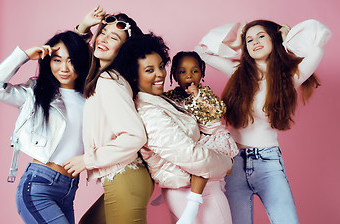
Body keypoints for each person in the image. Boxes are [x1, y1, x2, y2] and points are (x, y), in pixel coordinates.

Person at [195, 19, 331, 224]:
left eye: (260, 36)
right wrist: (236, 35)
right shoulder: (237, 71)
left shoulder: (289, 76)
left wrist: (287, 39)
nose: (254, 42)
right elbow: (201, 50)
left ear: (273, 38)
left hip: (268, 163)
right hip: (233, 164)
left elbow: (317, 51)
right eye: (249, 40)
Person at [112, 33, 233, 224]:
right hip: (195, 191)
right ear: (134, 76)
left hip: (187, 188)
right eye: (149, 70)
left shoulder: (161, 100)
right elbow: (190, 155)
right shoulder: (149, 111)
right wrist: (227, 163)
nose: (160, 74)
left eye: (161, 66)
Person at [63, 6, 153, 224]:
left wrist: (88, 160)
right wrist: (84, 26)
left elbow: (135, 136)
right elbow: (69, 56)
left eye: (114, 38)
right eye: (102, 32)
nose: (103, 38)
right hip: (122, 178)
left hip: (125, 178)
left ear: (123, 50)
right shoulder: (100, 77)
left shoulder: (109, 81)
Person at [0, 31, 90, 223]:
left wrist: (84, 28)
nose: (64, 68)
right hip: (39, 186)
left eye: (71, 61)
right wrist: (23, 56)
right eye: (57, 60)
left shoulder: (89, 97)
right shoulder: (34, 93)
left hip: (69, 189)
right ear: (48, 61)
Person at [163, 51, 238, 223]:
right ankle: (169, 191)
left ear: (202, 74)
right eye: (182, 72)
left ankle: (194, 201)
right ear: (174, 74)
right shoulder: (172, 96)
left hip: (211, 137)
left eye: (195, 71)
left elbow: (219, 110)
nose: (189, 75)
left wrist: (197, 95)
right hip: (193, 139)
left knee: (201, 165)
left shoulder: (204, 93)